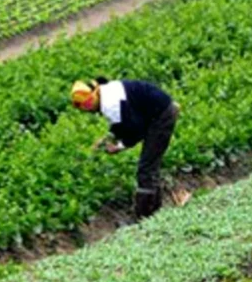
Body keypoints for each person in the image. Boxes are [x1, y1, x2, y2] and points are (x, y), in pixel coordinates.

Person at [71, 77, 179, 219]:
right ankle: (155, 210)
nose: (88, 109)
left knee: (146, 166)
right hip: (152, 113)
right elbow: (121, 122)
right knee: (150, 164)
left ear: (95, 93)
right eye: (83, 107)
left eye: (89, 103)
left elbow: (136, 129)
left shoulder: (110, 104)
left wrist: (120, 146)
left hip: (161, 115)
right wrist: (108, 138)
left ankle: (145, 215)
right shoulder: (107, 92)